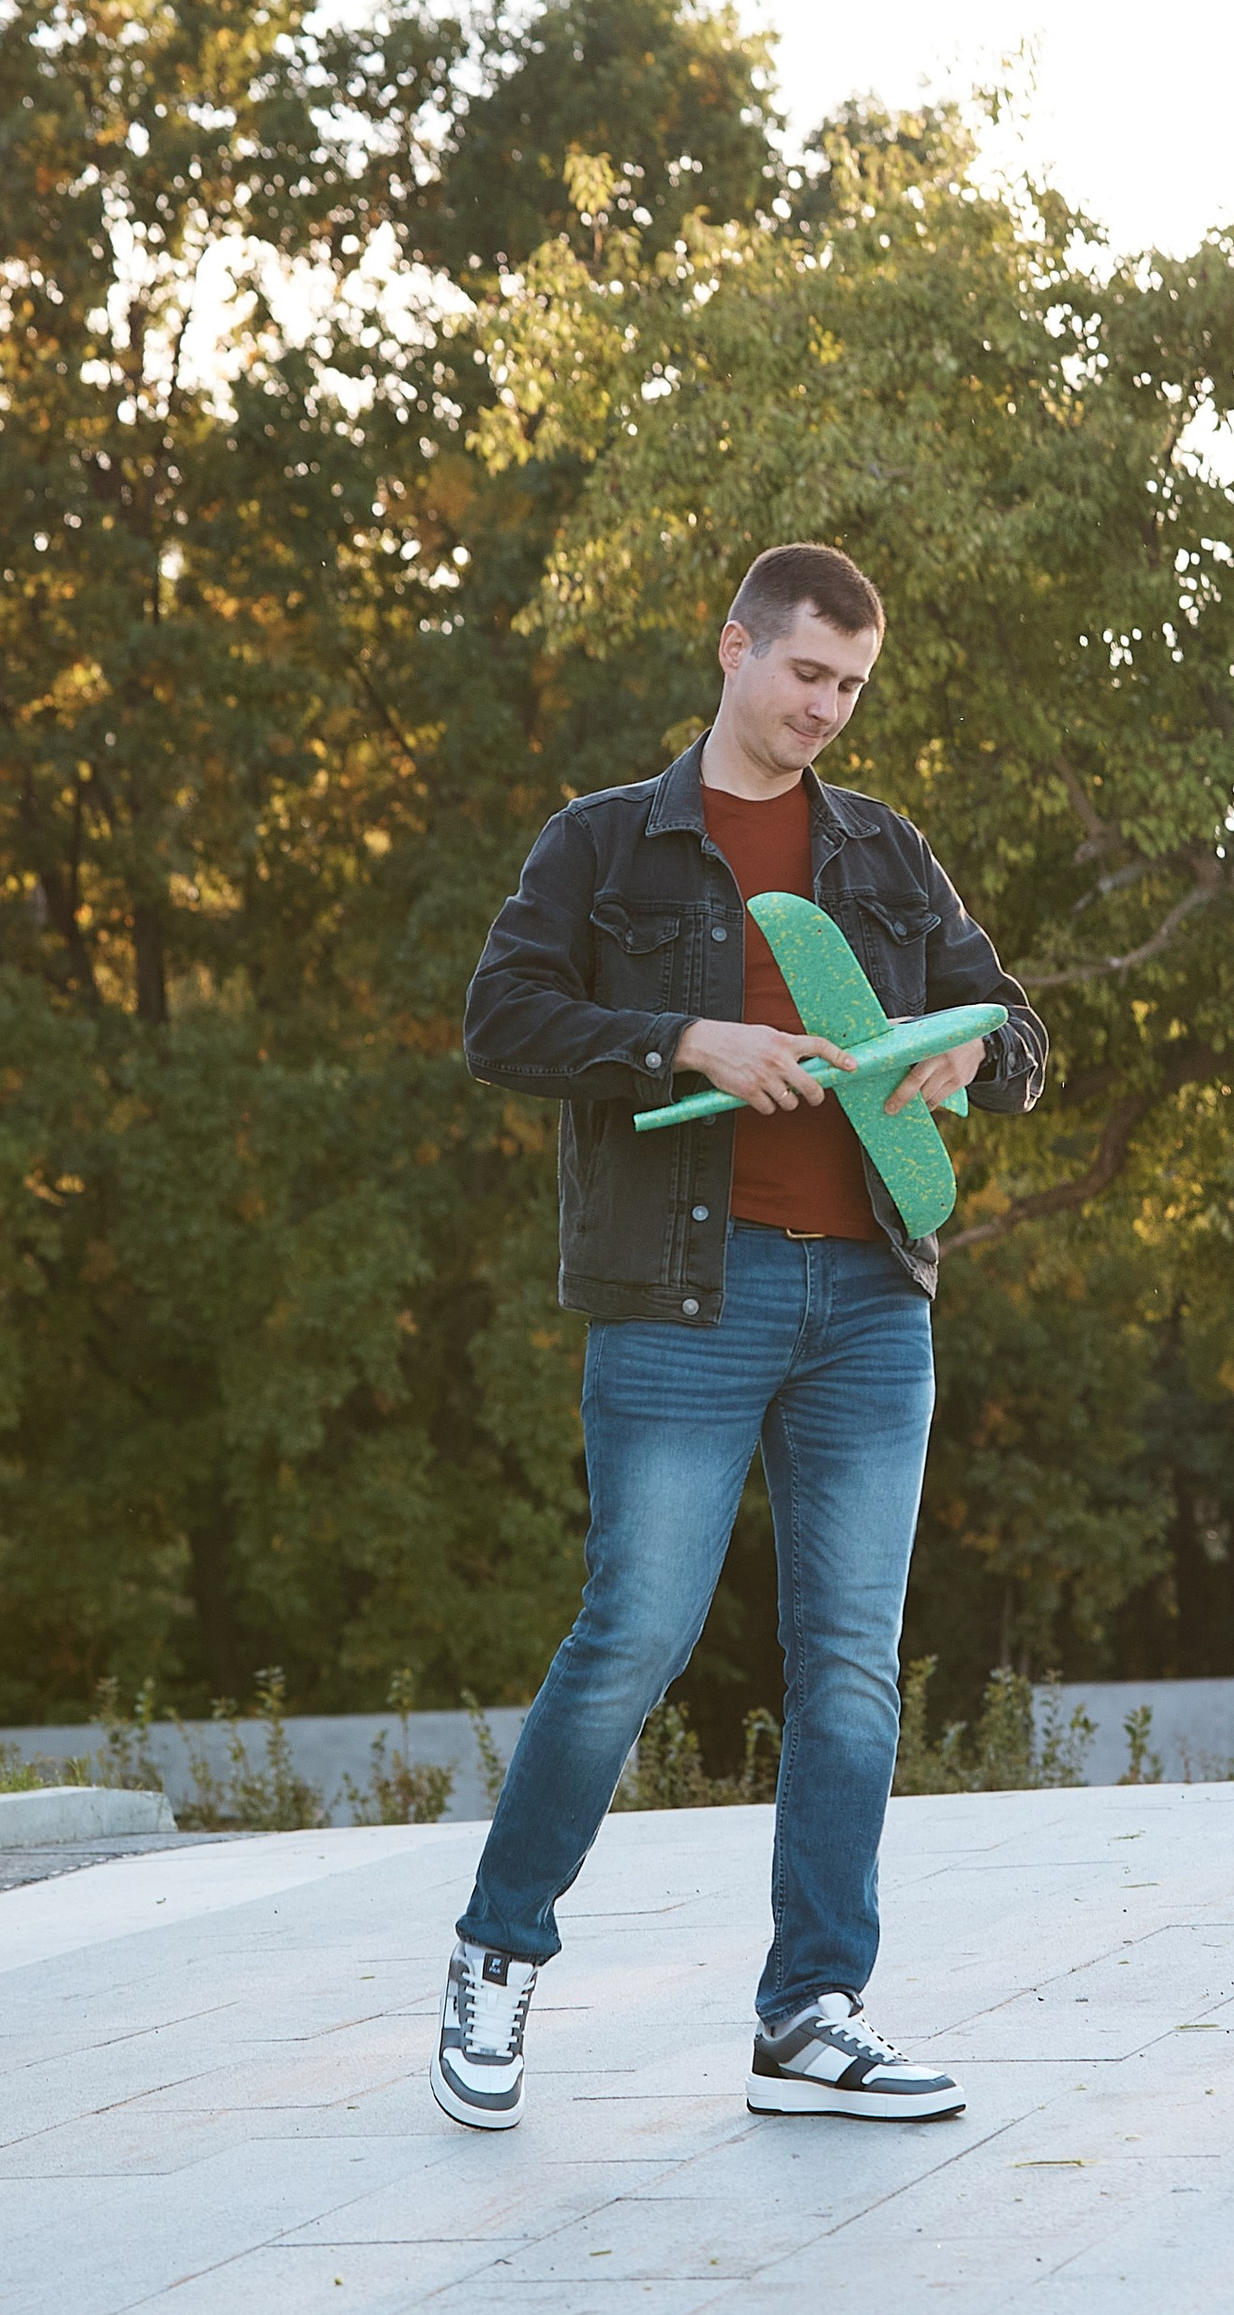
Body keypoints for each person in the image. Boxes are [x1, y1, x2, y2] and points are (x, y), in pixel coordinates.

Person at [430, 541, 1046, 2134]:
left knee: (848, 1666)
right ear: (735, 649)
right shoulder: (607, 846)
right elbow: (501, 1022)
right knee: (635, 1635)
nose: (829, 709)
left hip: (869, 1300)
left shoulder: (888, 853)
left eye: (852, 685)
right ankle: (497, 1959)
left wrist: (962, 1070)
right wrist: (682, 1036)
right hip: (683, 1298)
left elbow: (1013, 1023)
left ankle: (812, 2014)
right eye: (807, 675)